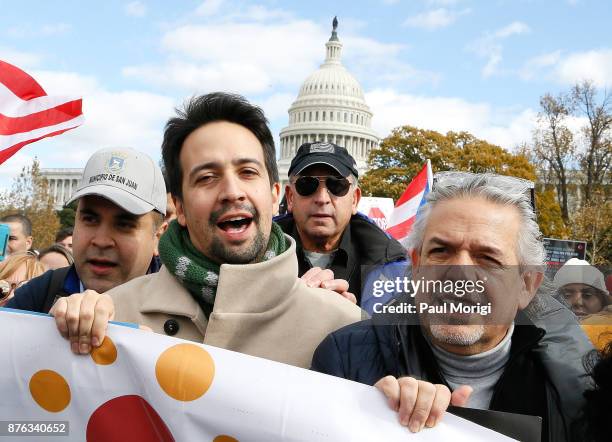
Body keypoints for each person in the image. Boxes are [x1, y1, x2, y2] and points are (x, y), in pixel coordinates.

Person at [312, 173, 593, 441]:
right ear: (417, 266)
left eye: (487, 258)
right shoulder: (344, 358)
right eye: (441, 251)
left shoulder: (584, 387)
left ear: (527, 285)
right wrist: (363, 422)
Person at [4, 147, 166, 313]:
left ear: (158, 238)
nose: (101, 241)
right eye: (90, 219)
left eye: (124, 225)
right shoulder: (37, 296)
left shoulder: (185, 311)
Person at [275, 142, 407, 308]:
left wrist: (357, 324)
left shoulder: (392, 267)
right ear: (290, 198)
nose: (322, 198)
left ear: (355, 200)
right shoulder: (257, 257)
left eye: (337, 185)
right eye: (307, 185)